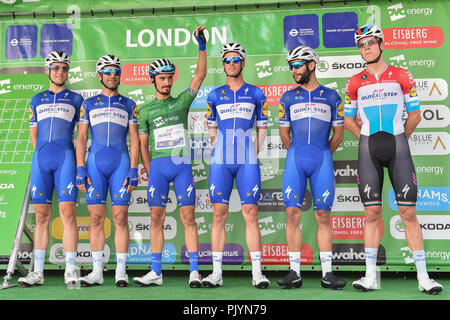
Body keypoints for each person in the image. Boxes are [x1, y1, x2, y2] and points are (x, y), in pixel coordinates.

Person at [344, 24, 443, 294]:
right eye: (361, 45)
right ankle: (369, 277)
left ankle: (424, 277)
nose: (366, 48)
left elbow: (415, 115)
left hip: (398, 148)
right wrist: (366, 138)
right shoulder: (354, 82)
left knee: (408, 213)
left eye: (370, 43)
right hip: (368, 151)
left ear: (381, 44)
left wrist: (399, 139)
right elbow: (348, 120)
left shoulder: (401, 75)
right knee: (371, 214)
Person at [133, 26, 207, 288]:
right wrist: (150, 169)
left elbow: (199, 75)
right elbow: (143, 146)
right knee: (156, 218)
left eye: (169, 78)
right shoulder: (144, 110)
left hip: (182, 166)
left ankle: (195, 272)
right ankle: (155, 272)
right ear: (153, 80)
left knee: (188, 217)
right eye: (161, 78)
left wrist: (201, 47)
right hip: (158, 168)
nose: (166, 82)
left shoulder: (181, 103)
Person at [276, 46, 346, 290]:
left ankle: (327, 273)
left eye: (297, 65)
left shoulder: (331, 96)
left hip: (322, 160)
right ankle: (294, 272)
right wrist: (298, 154)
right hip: (295, 159)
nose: (293, 70)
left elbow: (338, 134)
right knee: (292, 214)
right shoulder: (287, 97)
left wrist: (322, 155)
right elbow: (284, 134)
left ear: (312, 65)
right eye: (290, 66)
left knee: (322, 216)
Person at [202, 42, 270, 289]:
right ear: (223, 64)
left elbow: (262, 129)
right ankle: (216, 273)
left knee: (250, 214)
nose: (231, 63)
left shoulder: (256, 93)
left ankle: (257, 273)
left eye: (235, 59)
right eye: (227, 60)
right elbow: (211, 129)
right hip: (221, 159)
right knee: (218, 215)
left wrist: (250, 154)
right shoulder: (213, 95)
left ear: (243, 62)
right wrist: (222, 149)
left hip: (246, 161)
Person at [18, 51, 83, 288]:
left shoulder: (76, 99)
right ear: (48, 70)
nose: (60, 72)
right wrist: (41, 159)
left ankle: (70, 269)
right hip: (41, 161)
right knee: (42, 217)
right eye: (56, 68)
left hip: (65, 159)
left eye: (64, 68)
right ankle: (37, 272)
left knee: (68, 215)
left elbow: (83, 135)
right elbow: (34, 137)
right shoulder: (36, 100)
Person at [75, 55, 139, 287]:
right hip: (95, 164)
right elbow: (81, 138)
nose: (113, 76)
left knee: (121, 218)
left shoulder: (130, 104)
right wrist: (80, 166)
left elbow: (134, 139)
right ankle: (97, 272)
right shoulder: (89, 104)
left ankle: (121, 271)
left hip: (121, 163)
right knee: (95, 218)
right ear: (100, 75)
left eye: (116, 72)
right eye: (108, 72)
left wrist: (134, 168)